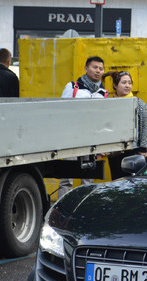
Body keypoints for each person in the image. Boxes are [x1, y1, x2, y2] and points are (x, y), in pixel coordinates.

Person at [58, 56, 109, 199]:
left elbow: (103, 120)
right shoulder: (73, 87)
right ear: (86, 69)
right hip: (71, 139)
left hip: (91, 141)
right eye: (94, 67)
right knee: (67, 178)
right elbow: (62, 111)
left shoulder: (103, 93)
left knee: (88, 179)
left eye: (101, 68)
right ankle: (63, 210)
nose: (98, 71)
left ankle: (82, 209)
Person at [103, 70, 147, 179]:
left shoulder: (139, 103)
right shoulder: (109, 103)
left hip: (134, 151)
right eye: (124, 83)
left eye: (129, 83)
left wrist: (143, 148)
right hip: (115, 152)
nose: (127, 86)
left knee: (134, 182)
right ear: (115, 85)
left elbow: (145, 125)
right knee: (117, 181)